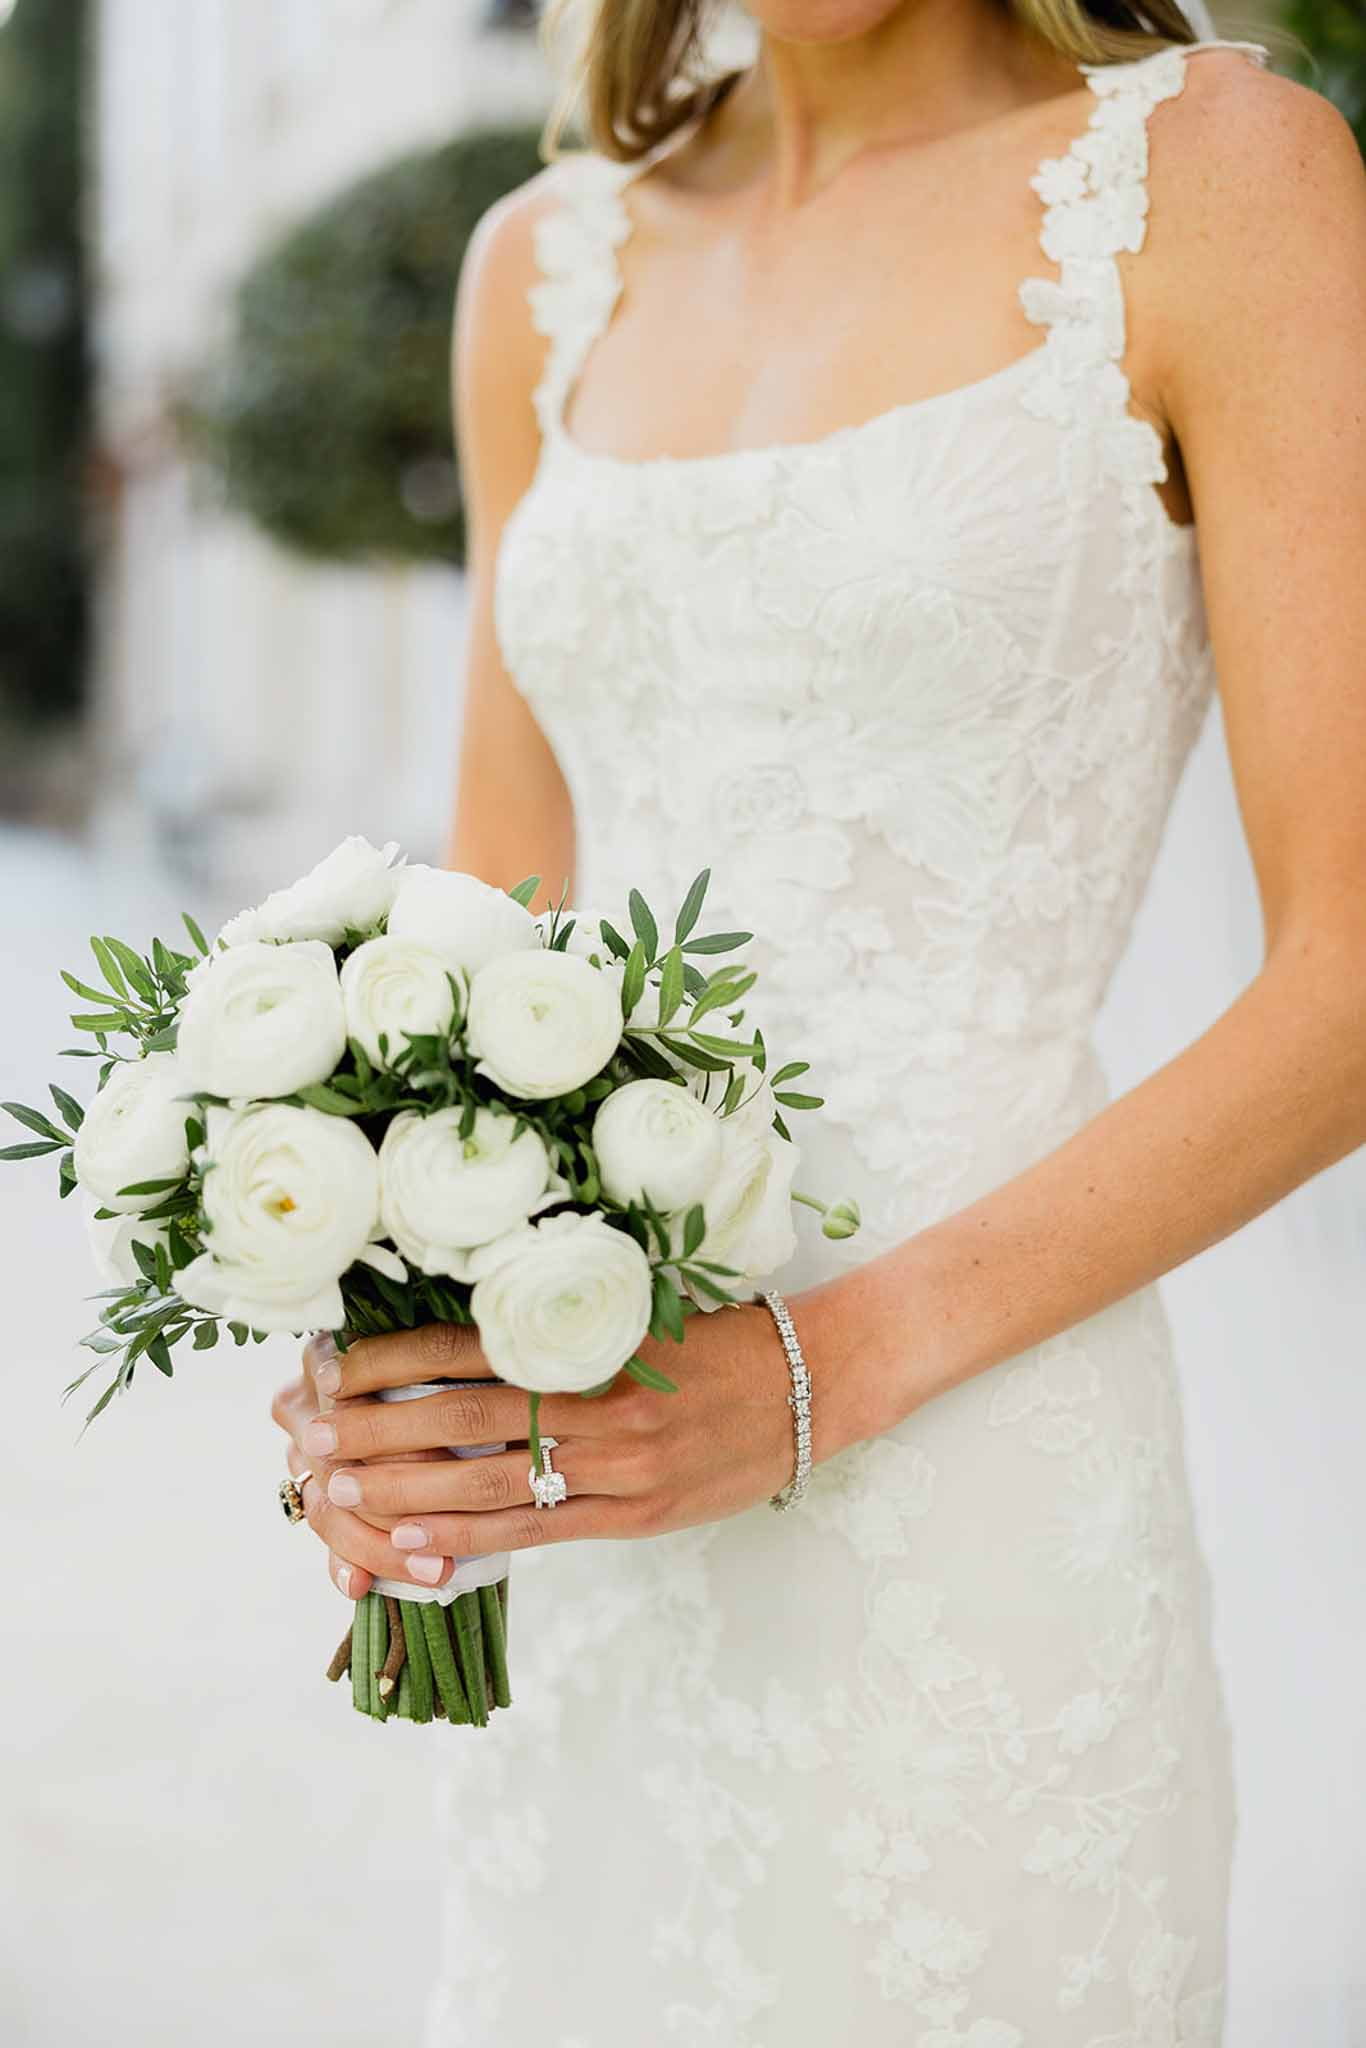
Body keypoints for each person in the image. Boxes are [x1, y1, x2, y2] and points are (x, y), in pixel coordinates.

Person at [273, 1, 1366, 2038]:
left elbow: (1351, 979)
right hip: (594, 1471)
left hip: (970, 1457)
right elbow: (492, 939)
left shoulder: (1220, 181)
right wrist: (385, 1373)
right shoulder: (540, 265)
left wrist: (807, 1372)